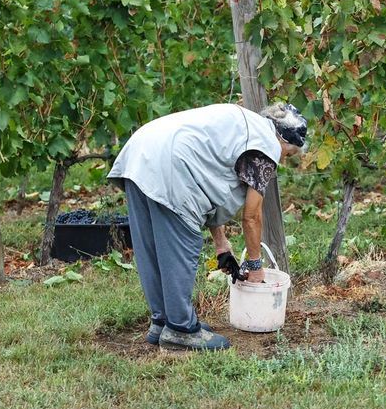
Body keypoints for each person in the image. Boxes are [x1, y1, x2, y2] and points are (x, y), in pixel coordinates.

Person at [108, 102, 308, 351]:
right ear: (283, 138)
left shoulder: (243, 126)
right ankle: (180, 330)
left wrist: (221, 244)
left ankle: (162, 322)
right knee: (183, 245)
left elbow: (212, 181)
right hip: (172, 163)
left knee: (151, 246)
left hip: (141, 153)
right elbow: (252, 216)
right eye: (287, 154)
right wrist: (255, 266)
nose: (282, 160)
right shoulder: (266, 144)